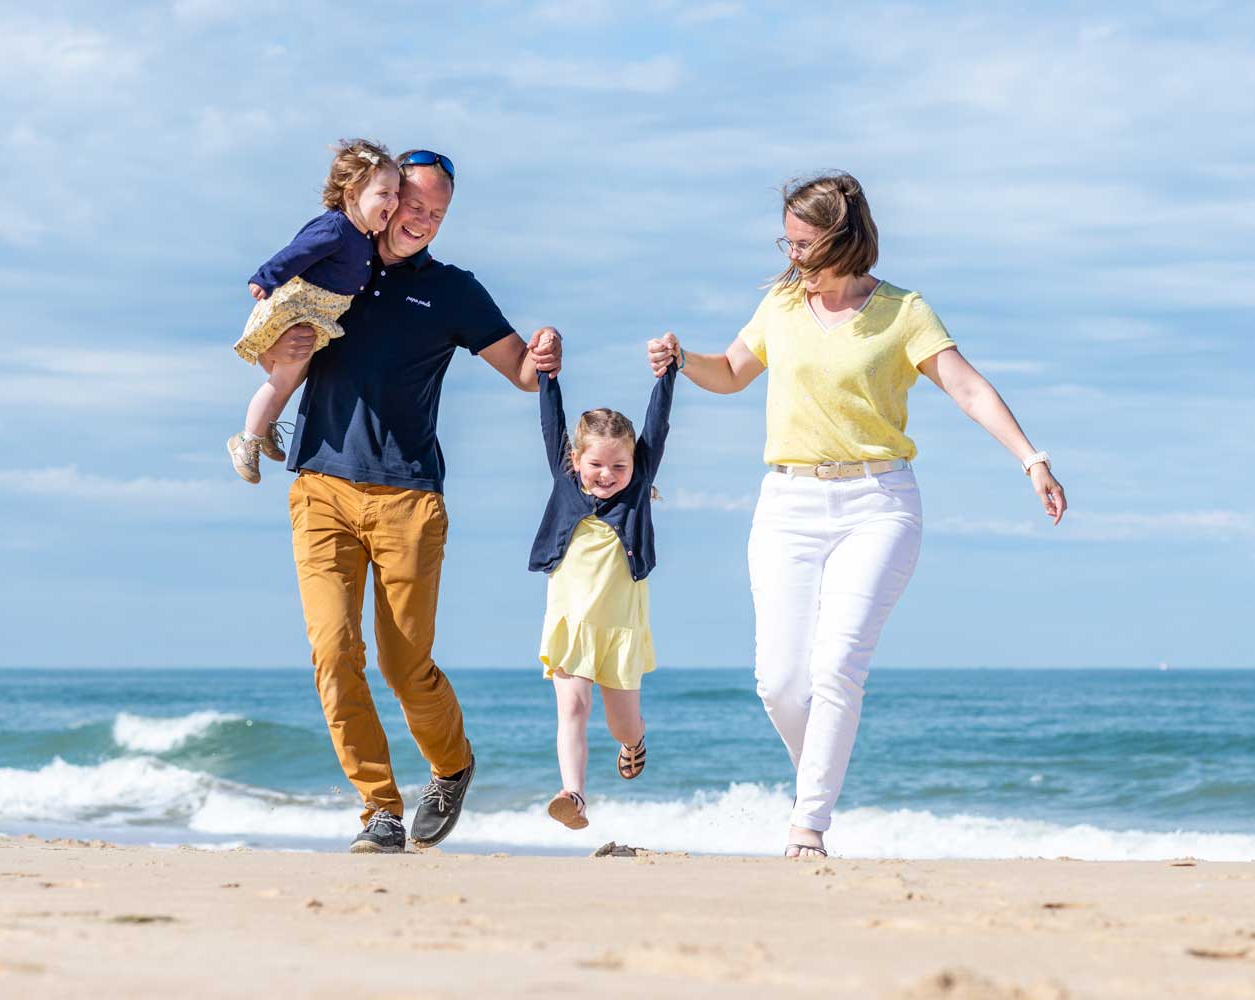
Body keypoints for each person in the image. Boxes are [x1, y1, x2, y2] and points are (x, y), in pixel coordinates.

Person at [648, 171, 1067, 858]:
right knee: (779, 683)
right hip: (787, 501)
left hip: (878, 504)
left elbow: (964, 386)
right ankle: (820, 775)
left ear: (842, 239)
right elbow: (728, 371)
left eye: (801, 241)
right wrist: (680, 358)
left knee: (837, 666)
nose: (789, 254)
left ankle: (807, 824)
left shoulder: (903, 311)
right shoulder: (781, 306)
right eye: (784, 240)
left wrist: (1032, 459)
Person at [259, 150, 562, 854]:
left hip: (410, 496)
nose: (419, 220)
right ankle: (379, 810)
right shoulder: (332, 270)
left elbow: (520, 369)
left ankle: (452, 766)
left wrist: (542, 350)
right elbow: (266, 345)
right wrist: (285, 342)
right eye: (410, 204)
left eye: (435, 213)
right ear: (380, 198)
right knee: (334, 652)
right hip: (321, 486)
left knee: (403, 664)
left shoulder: (452, 291)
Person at [530, 367, 676, 829]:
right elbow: (549, 418)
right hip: (571, 619)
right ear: (575, 459)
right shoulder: (563, 475)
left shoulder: (638, 484)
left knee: (622, 724)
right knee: (573, 707)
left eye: (620, 466)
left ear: (635, 465)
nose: (608, 475)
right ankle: (573, 795)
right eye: (596, 465)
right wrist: (546, 373)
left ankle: (634, 743)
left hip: (620, 627)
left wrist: (668, 372)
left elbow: (659, 422)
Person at [228, 139, 400, 484]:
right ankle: (246, 439)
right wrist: (266, 277)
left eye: (396, 194)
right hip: (297, 310)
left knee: (291, 378)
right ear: (351, 194)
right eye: (384, 194)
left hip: (317, 316)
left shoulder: (364, 236)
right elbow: (297, 252)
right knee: (281, 380)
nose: (393, 202)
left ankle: (264, 429)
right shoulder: (335, 227)